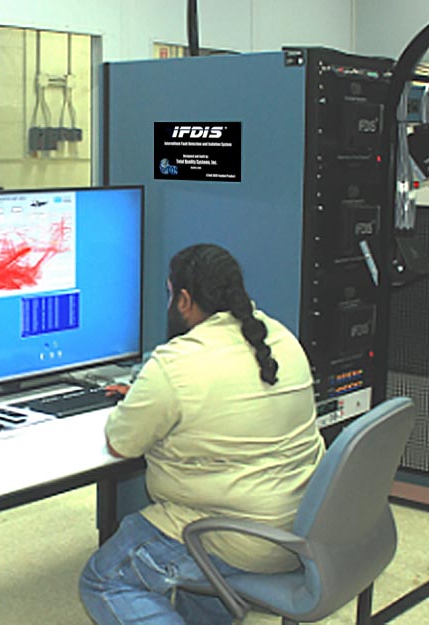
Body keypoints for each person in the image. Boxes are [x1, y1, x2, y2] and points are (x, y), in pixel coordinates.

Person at [79, 243, 325, 625]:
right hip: (301, 529)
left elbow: (121, 442)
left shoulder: (176, 364)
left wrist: (150, 393)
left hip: (234, 538)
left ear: (185, 299)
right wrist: (154, 396)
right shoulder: (280, 337)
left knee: (104, 579)